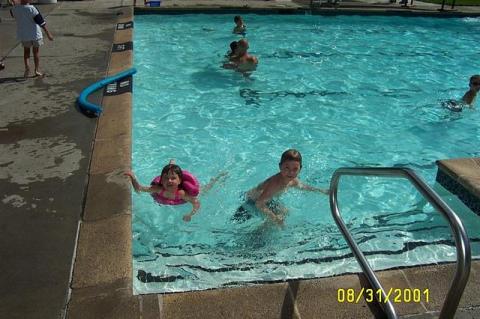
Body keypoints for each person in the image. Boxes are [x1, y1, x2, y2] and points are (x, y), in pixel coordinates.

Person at [234, 149, 329, 225]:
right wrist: (275, 219)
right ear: (280, 167)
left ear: (300, 169)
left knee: (285, 212)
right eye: (287, 168)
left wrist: (322, 191)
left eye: (295, 169)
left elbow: (303, 186)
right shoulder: (275, 184)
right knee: (275, 222)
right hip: (250, 204)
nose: (291, 172)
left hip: (267, 200)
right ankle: (260, 233)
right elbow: (259, 204)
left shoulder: (292, 180)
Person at [10, 0, 54, 78]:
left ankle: (27, 67)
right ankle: (36, 70)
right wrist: (48, 34)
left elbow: (13, 14)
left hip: (24, 35)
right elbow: (41, 22)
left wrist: (15, 5)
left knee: (26, 52)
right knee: (36, 53)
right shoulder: (32, 8)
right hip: (35, 34)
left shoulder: (15, 9)